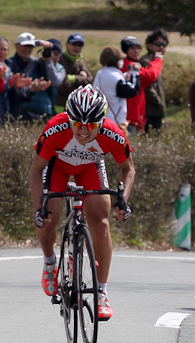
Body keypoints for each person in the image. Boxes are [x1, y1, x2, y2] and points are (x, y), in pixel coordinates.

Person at [29, 84, 135, 320]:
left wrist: (123, 201)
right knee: (48, 217)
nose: (84, 132)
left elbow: (128, 169)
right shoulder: (54, 129)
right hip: (57, 167)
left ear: (102, 122)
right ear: (69, 119)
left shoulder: (113, 133)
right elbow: (36, 170)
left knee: (102, 222)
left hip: (90, 167)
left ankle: (101, 294)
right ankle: (49, 264)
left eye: (91, 126)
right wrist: (39, 207)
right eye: (77, 125)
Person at [119, 35, 163, 133]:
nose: (136, 51)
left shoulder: (123, 63)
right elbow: (150, 76)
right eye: (132, 48)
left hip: (133, 116)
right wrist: (157, 61)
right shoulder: (129, 66)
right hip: (130, 118)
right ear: (126, 50)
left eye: (138, 48)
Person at [4, 32, 51, 121]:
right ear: (16, 46)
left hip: (32, 111)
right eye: (24, 46)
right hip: (13, 111)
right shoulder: (9, 64)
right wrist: (31, 89)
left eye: (30, 47)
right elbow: (9, 92)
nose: (27, 49)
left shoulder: (35, 64)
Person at [93, 45, 140, 132]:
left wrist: (124, 77)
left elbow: (112, 87)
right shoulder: (115, 76)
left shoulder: (100, 73)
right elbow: (132, 91)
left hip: (100, 119)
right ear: (116, 61)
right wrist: (135, 74)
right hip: (114, 122)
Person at [0, 35, 30, 125]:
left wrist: (16, 87)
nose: (2, 52)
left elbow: (10, 94)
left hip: (6, 112)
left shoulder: (8, 66)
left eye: (5, 50)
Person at [21, 37, 65, 120]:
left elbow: (55, 81)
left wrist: (48, 62)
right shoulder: (33, 64)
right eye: (50, 53)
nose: (52, 57)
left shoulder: (60, 69)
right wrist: (38, 43)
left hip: (47, 112)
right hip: (27, 110)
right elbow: (24, 48)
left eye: (55, 54)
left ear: (60, 55)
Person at [140, 29, 169, 133]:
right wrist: (158, 101)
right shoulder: (145, 61)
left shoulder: (156, 61)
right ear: (149, 45)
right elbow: (146, 85)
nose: (161, 47)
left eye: (164, 44)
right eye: (158, 44)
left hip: (156, 111)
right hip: (149, 110)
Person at [56, 33, 93, 109]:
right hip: (61, 105)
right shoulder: (60, 59)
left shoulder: (80, 60)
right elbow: (62, 86)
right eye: (74, 44)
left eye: (80, 44)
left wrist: (73, 78)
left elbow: (90, 80)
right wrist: (81, 78)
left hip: (77, 106)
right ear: (67, 44)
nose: (77, 47)